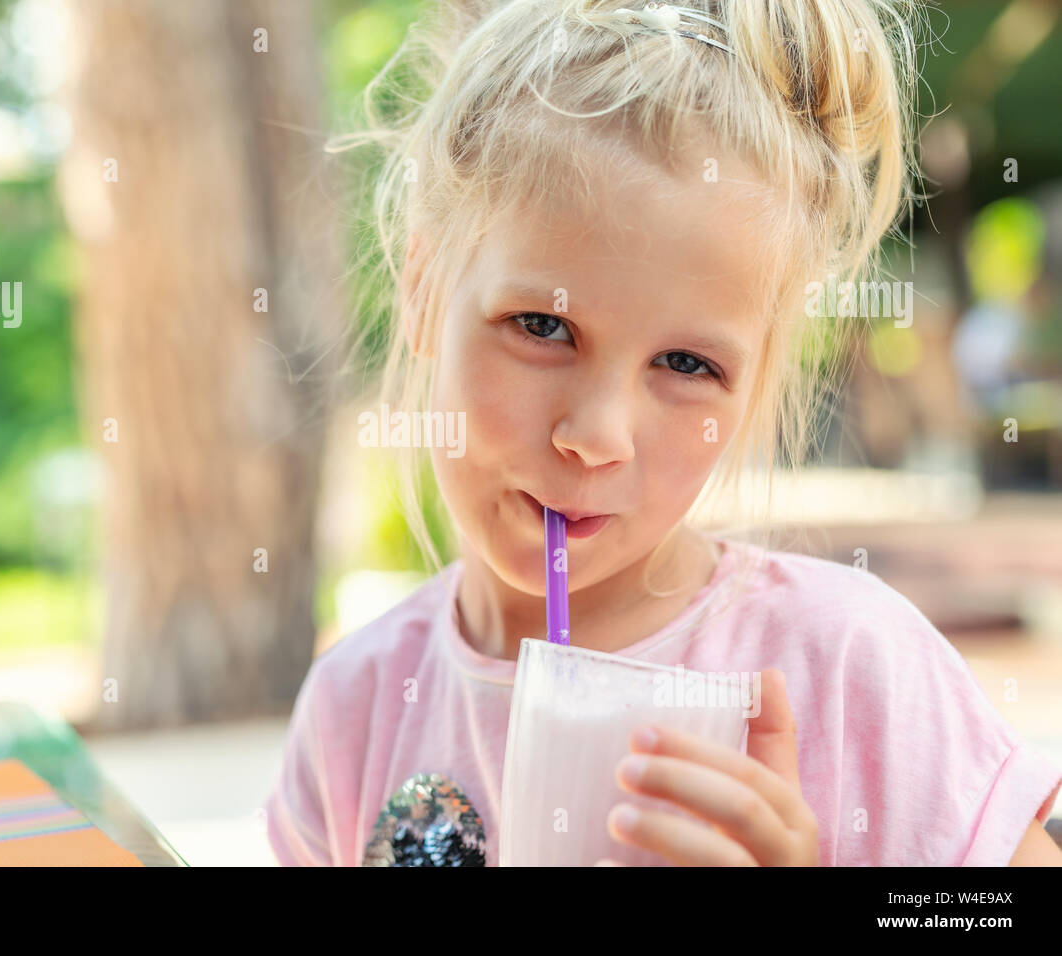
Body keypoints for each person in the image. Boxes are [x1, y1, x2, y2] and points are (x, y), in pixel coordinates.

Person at [265, 0, 1062, 866]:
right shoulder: (357, 709)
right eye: (542, 326)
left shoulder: (849, 670)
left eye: (686, 365)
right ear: (421, 289)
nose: (597, 437)